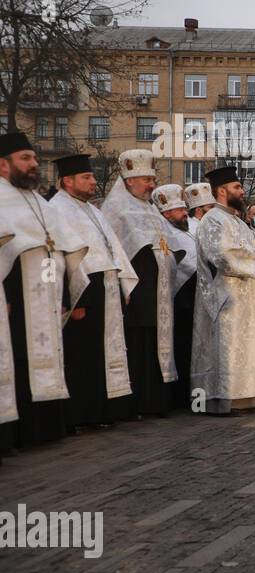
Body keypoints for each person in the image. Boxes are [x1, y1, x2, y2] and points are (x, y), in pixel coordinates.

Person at [0, 133, 89, 455]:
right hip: (15, 298)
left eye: (35, 159)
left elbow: (56, 251)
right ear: (3, 164)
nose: (34, 164)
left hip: (44, 294)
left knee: (48, 357)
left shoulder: (38, 202)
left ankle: (45, 427)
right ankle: (18, 431)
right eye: (26, 158)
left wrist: (59, 293)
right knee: (20, 360)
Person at [50, 154, 136, 430]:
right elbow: (61, 258)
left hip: (106, 288)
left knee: (101, 353)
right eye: (86, 177)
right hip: (83, 290)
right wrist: (73, 300)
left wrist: (124, 282)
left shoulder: (93, 210)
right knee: (82, 355)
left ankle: (101, 410)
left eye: (91, 177)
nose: (92, 182)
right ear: (67, 180)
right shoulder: (57, 209)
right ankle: (82, 413)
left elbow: (114, 250)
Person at [190, 166, 255, 414]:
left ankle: (245, 396)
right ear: (221, 190)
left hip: (245, 295)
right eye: (237, 187)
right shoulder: (212, 220)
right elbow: (221, 255)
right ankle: (224, 398)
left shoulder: (237, 221)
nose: (242, 191)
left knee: (244, 347)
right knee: (227, 348)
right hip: (223, 296)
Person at [101, 150, 178, 419]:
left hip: (159, 293)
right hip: (135, 293)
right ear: (129, 180)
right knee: (138, 345)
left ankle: (155, 401)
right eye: (146, 179)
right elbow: (113, 253)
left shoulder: (150, 208)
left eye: (152, 179)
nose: (151, 185)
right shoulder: (115, 209)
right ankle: (135, 404)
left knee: (155, 344)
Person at [151, 184, 199, 410]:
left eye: (184, 209)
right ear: (166, 213)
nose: (184, 214)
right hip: (177, 299)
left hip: (193, 297)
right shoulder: (162, 230)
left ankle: (189, 392)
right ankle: (177, 396)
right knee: (178, 346)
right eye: (180, 210)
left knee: (190, 347)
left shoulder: (190, 229)